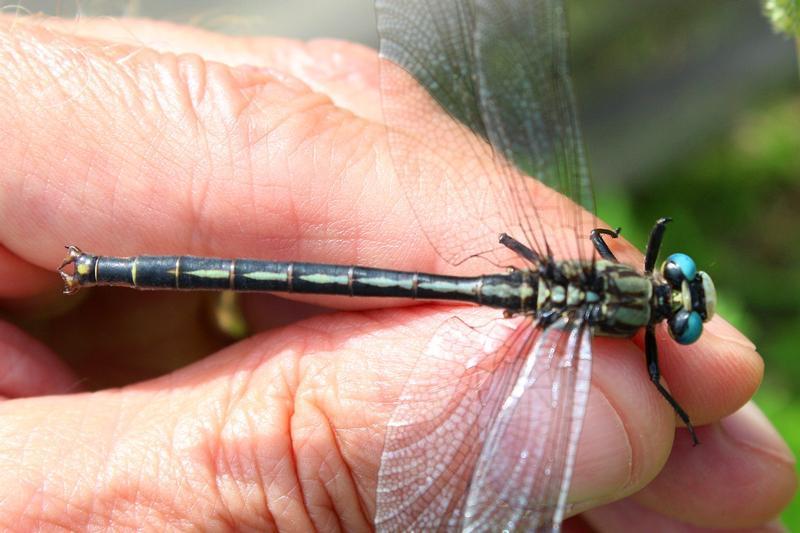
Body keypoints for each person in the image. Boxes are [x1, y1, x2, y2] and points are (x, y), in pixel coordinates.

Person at [0, 15, 795, 530]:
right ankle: (102, 266)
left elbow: (608, 251)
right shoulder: (635, 330)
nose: (676, 293)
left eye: (677, 303)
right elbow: (652, 374)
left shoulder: (612, 270)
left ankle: (98, 266)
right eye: (678, 283)